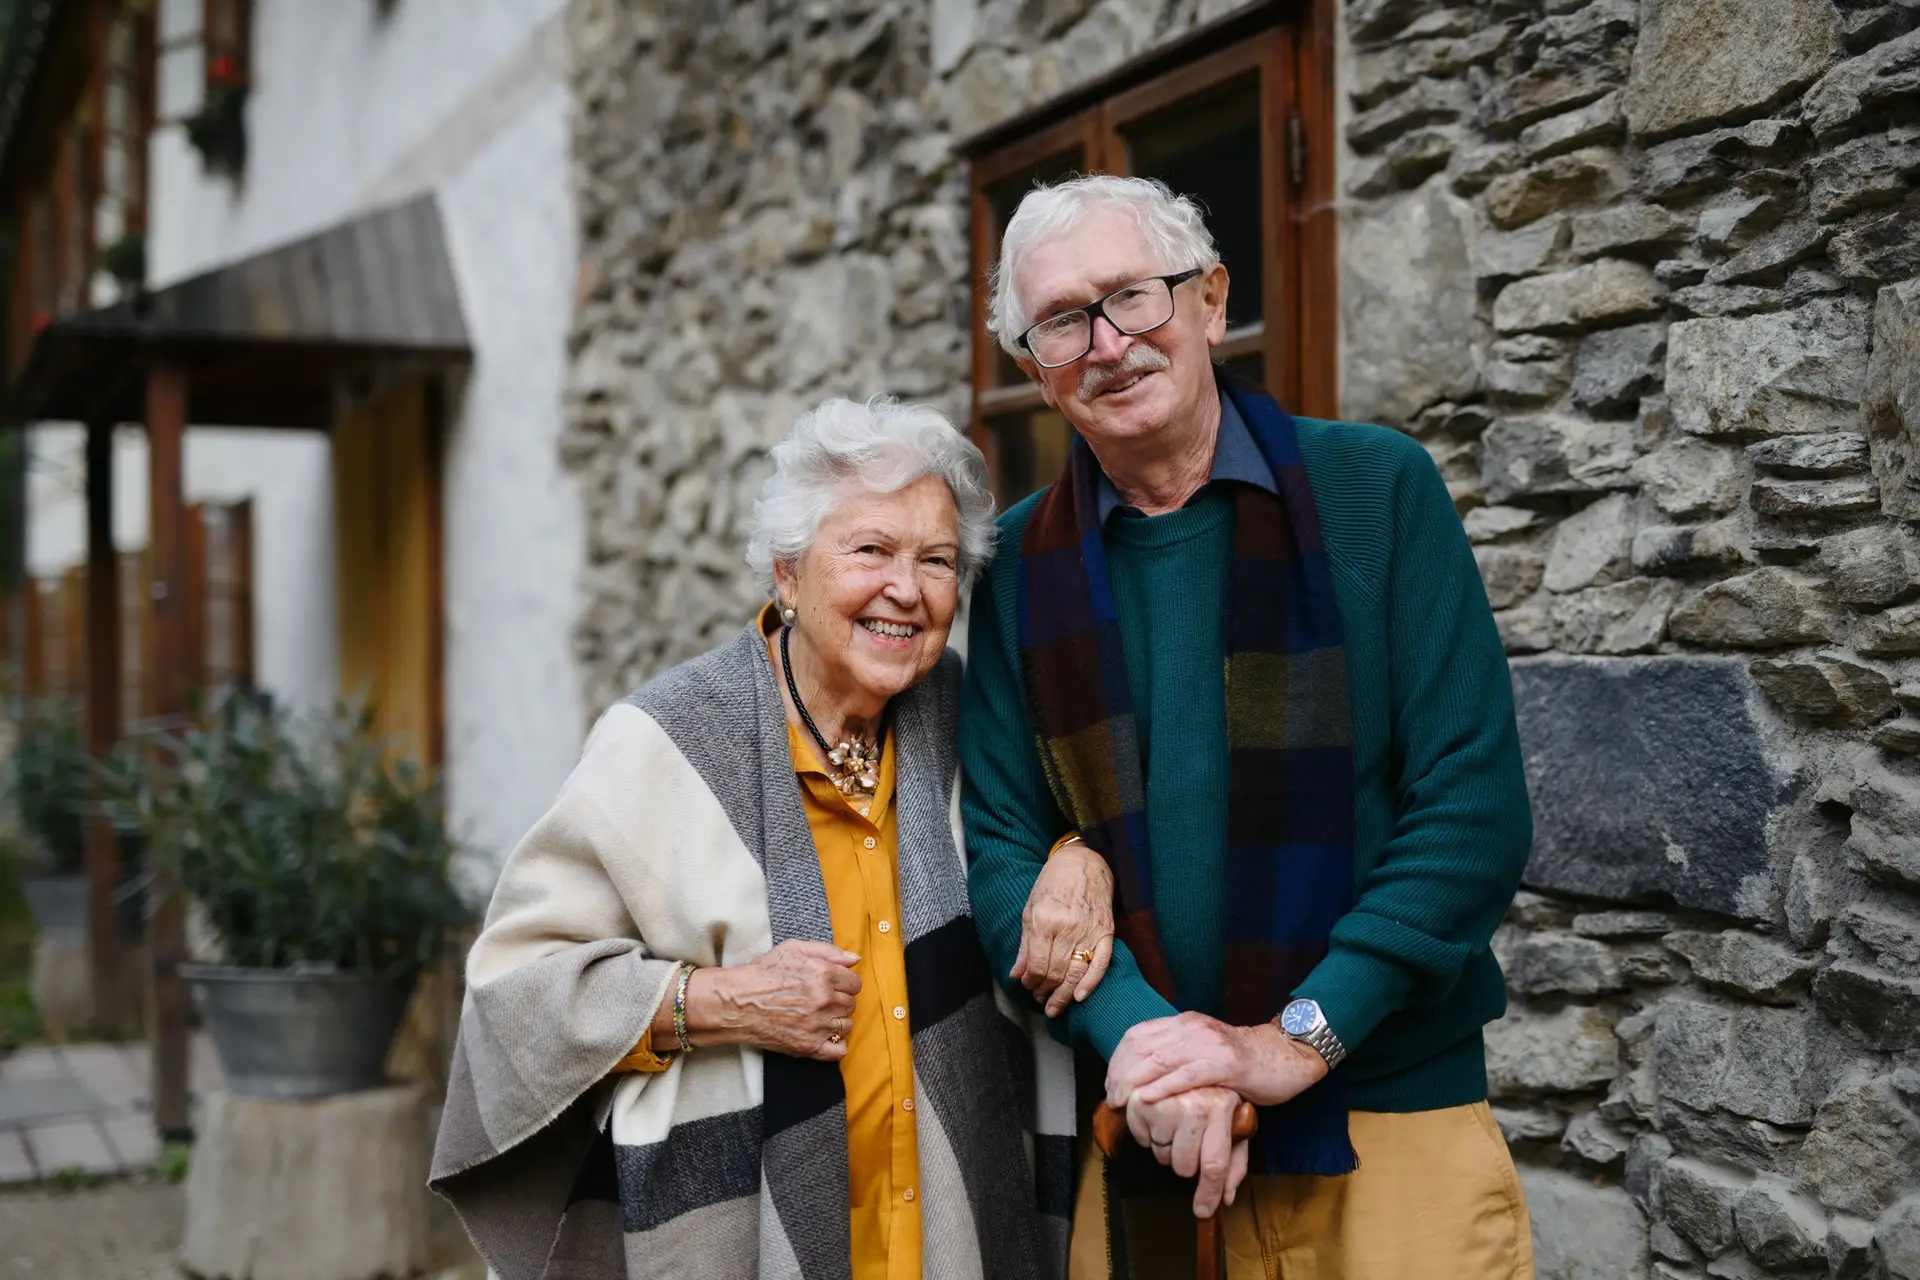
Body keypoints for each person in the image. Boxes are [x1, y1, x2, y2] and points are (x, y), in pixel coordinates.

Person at [960, 174, 1536, 1280]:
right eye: (1062, 322)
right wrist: (1147, 1047)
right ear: (1036, 369)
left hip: (1386, 1126)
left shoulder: (1379, 490)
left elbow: (1469, 814)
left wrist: (1287, 1044)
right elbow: (1001, 847)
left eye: (1133, 297)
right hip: (1146, 1142)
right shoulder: (1018, 572)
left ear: (1211, 301)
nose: (1109, 343)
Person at [432, 396, 1060, 1280]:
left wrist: (1073, 862)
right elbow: (512, 993)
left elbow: (1045, 841)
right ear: (789, 576)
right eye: (871, 550)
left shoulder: (968, 713)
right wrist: (719, 1002)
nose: (907, 591)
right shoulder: (669, 741)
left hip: (947, 1239)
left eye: (938, 561)